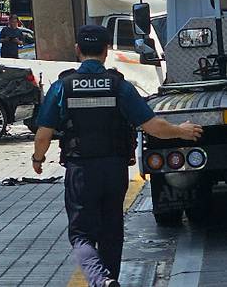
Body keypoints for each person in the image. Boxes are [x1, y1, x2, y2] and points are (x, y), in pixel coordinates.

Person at [32, 25, 203, 287]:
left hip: (81, 171)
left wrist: (38, 159)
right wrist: (181, 131)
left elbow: (43, 134)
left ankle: (101, 281)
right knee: (112, 231)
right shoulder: (119, 86)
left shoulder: (62, 87)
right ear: (107, 51)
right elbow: (152, 125)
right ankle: (110, 280)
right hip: (114, 169)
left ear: (77, 50)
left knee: (81, 236)